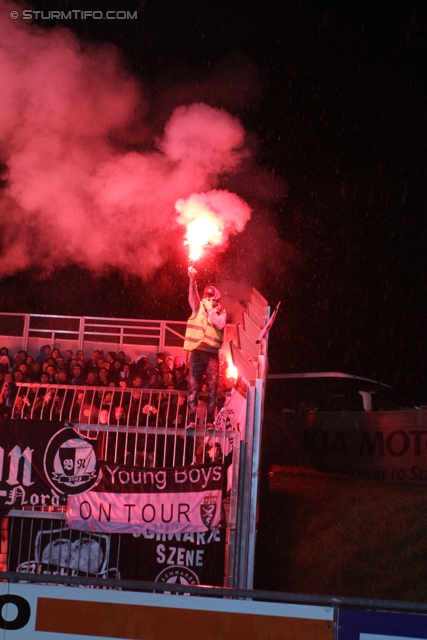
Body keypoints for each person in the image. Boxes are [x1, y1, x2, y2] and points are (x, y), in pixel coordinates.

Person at [184, 267, 226, 430]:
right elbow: (192, 294)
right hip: (196, 353)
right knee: (193, 389)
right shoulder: (197, 306)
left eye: (209, 295)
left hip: (212, 356)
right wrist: (192, 279)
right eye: (205, 294)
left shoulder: (220, 311)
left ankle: (210, 421)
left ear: (215, 297)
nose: (206, 297)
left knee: (212, 390)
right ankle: (191, 421)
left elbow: (220, 324)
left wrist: (210, 309)